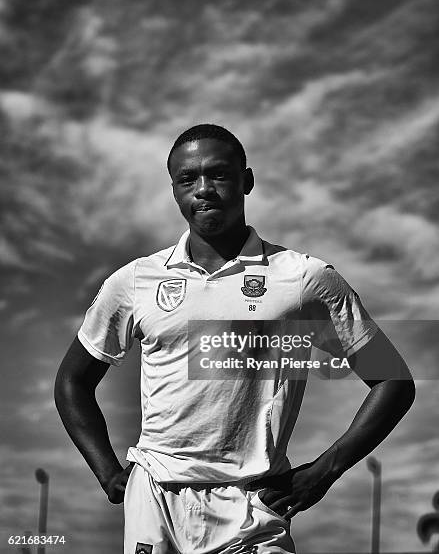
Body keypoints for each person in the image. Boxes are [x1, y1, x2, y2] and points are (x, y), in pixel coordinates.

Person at [55, 123, 415, 554]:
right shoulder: (136, 280)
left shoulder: (303, 279)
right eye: (188, 179)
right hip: (156, 505)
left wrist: (323, 472)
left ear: (246, 181)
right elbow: (72, 382)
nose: (203, 189)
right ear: (174, 190)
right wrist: (109, 474)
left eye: (219, 174)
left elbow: (393, 382)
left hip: (254, 506)